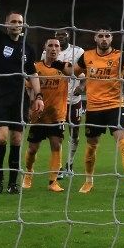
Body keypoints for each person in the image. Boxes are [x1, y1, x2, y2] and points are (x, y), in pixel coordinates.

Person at [0, 0, 44, 194]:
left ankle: (12, 182)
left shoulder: (28, 49)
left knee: (17, 139)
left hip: (19, 98)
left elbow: (33, 74)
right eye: (13, 22)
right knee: (1, 139)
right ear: (6, 24)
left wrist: (38, 96)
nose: (17, 25)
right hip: (1, 96)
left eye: (20, 22)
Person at [74, 27, 124, 195]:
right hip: (93, 108)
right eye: (101, 36)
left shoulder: (121, 55)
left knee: (123, 140)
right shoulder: (87, 56)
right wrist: (82, 84)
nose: (104, 39)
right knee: (91, 145)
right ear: (95, 38)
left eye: (107, 36)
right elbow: (75, 72)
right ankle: (88, 181)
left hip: (114, 106)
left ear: (111, 39)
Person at [22, 38, 73, 192]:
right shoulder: (35, 67)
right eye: (50, 45)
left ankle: (53, 182)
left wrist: (63, 66)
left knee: (56, 145)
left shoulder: (64, 67)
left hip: (57, 115)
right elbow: (29, 89)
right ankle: (28, 174)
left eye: (56, 46)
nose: (53, 48)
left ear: (60, 49)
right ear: (45, 48)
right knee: (32, 149)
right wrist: (30, 108)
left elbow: (78, 74)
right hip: (39, 116)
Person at [41, 29, 85, 179]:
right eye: (57, 36)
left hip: (74, 100)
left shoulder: (78, 51)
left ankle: (70, 164)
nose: (60, 38)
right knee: (57, 136)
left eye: (63, 36)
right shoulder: (48, 52)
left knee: (75, 133)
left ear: (68, 37)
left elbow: (86, 71)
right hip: (56, 100)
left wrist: (82, 86)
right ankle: (58, 167)